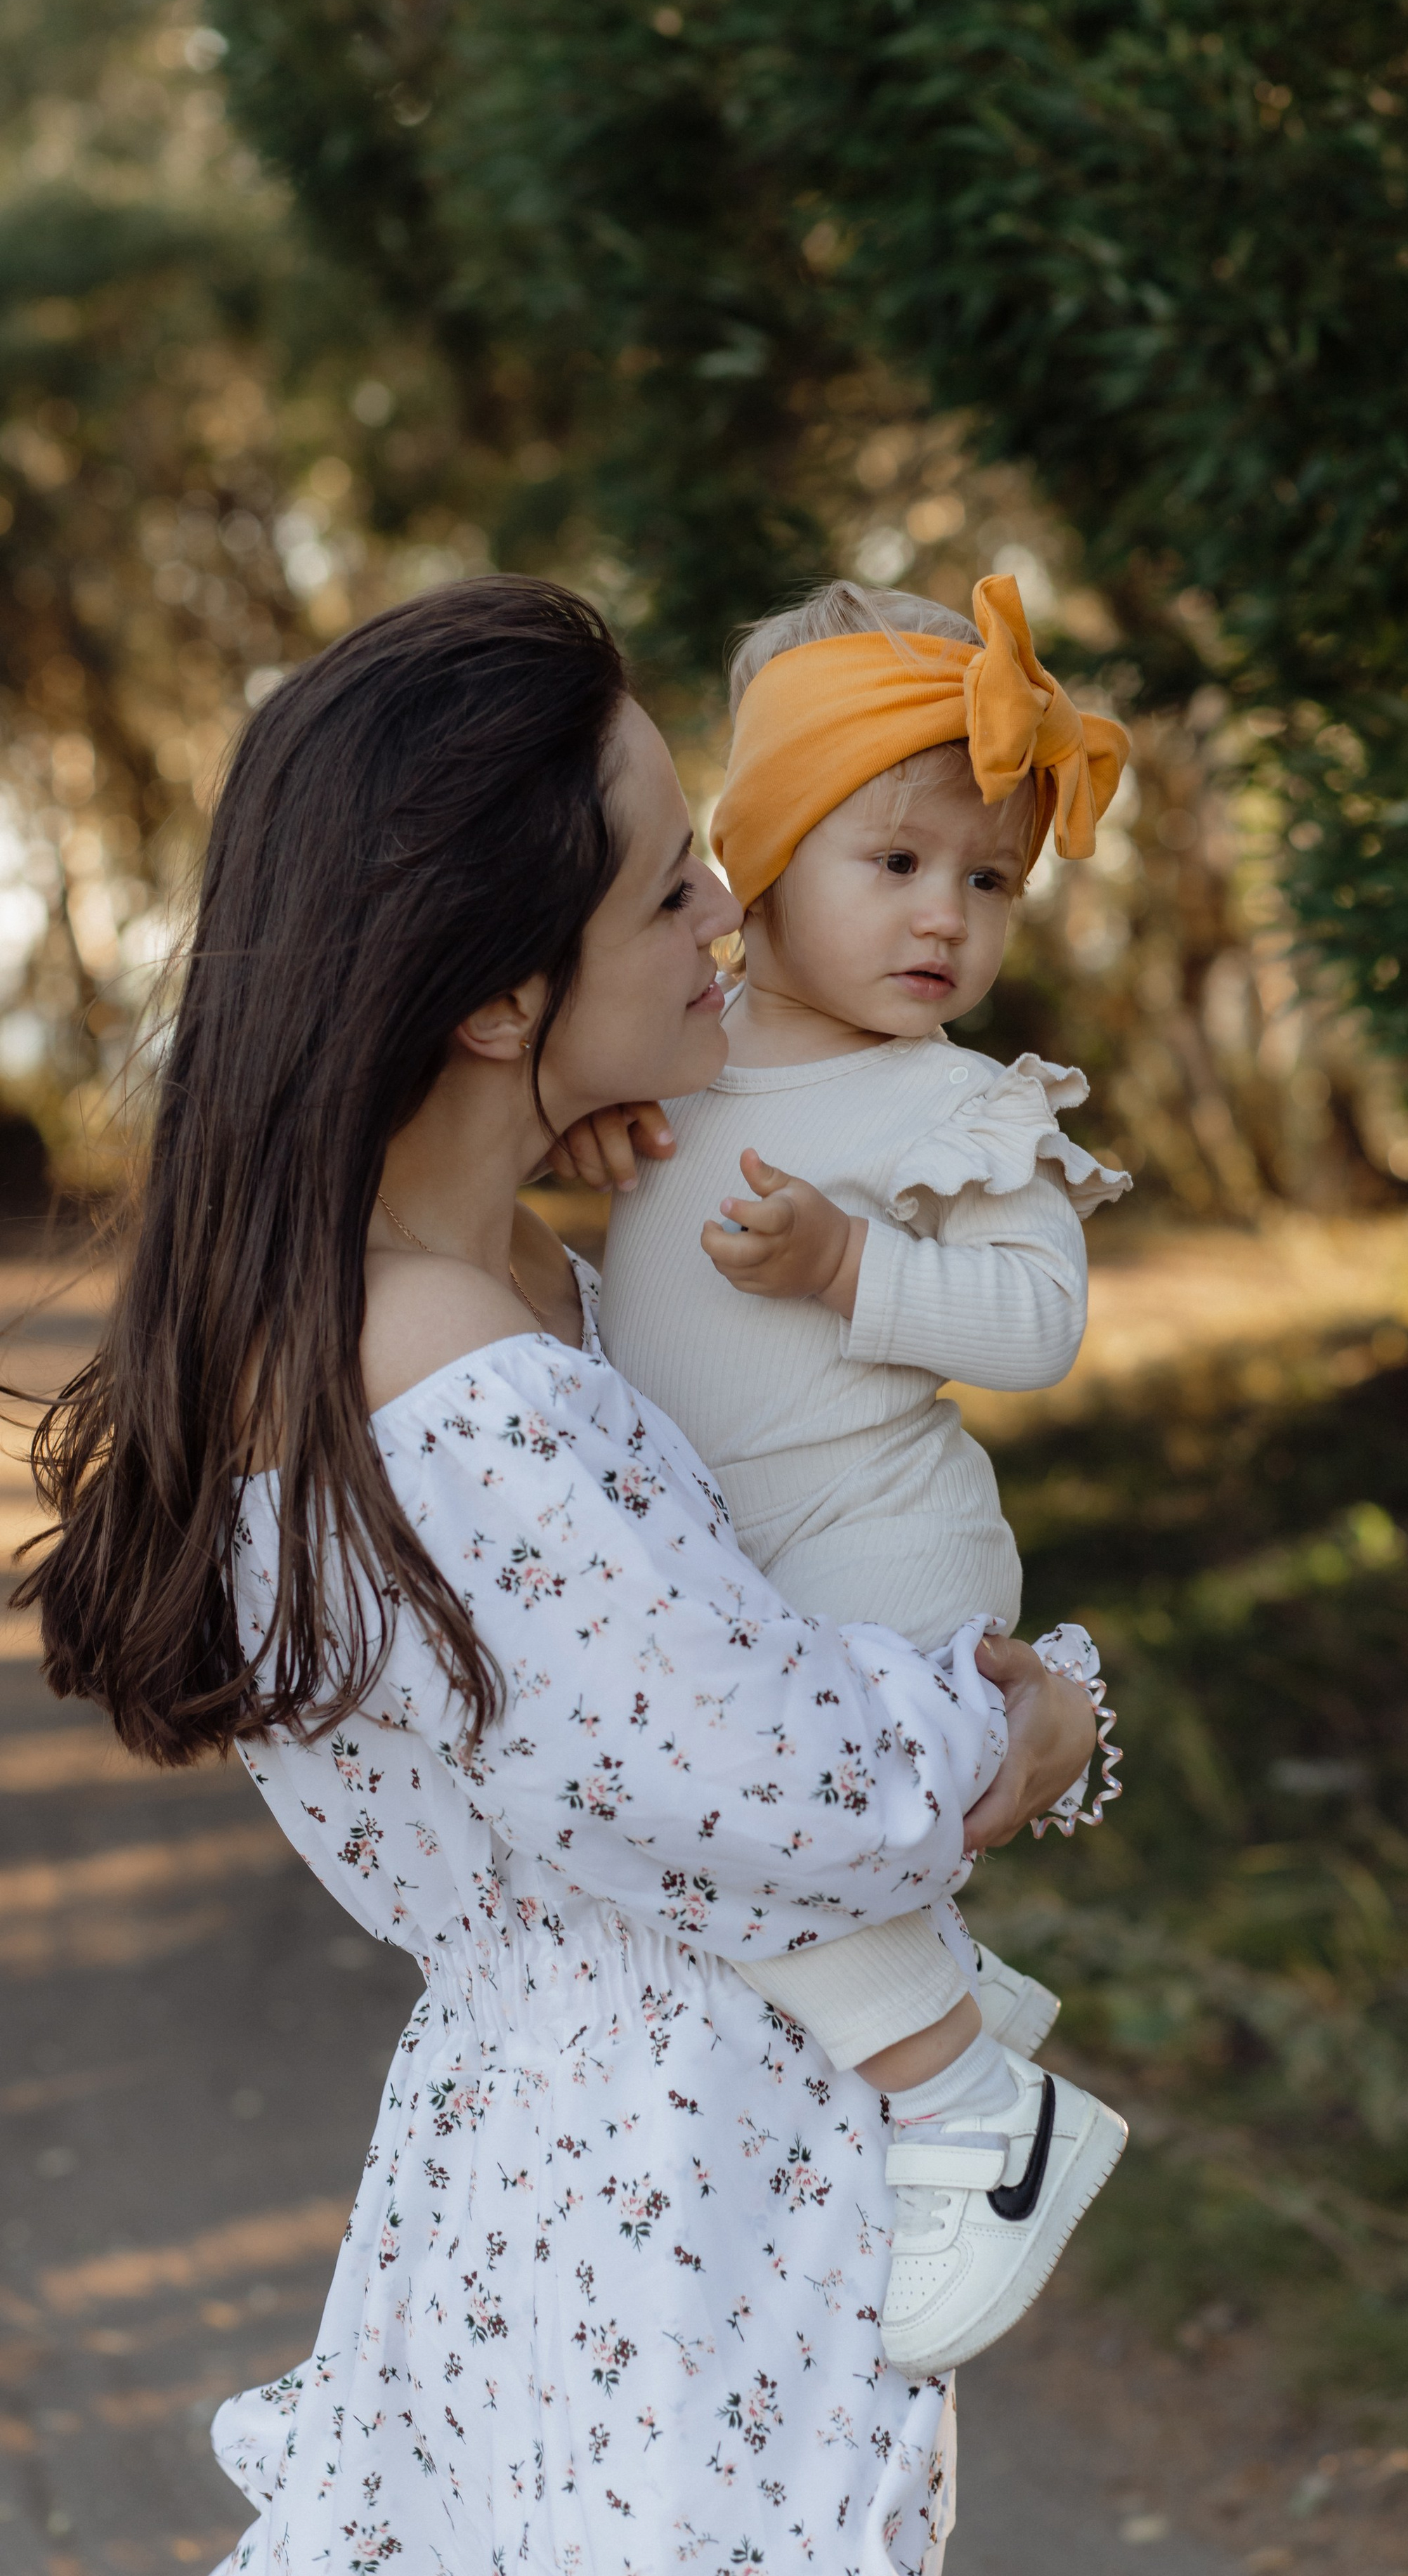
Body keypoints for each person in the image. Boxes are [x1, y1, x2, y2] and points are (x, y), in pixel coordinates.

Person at [20, 576, 1099, 2576]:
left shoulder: (443, 1289)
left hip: (579, 2173)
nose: (732, 917)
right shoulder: (466, 1387)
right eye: (674, 887)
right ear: (501, 995)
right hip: (670, 2210)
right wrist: (1051, 1703)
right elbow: (804, 1790)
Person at [587, 575, 1130, 2381]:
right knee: (717, 1824)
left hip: (877, 1541)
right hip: (724, 1552)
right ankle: (929, 1997)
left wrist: (852, 1274)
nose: (945, 923)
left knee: (746, 1811)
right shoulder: (678, 1066)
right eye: (892, 865)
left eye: (987, 882)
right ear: (758, 856)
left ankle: (978, 2111)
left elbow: (1041, 1322)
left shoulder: (949, 1106)